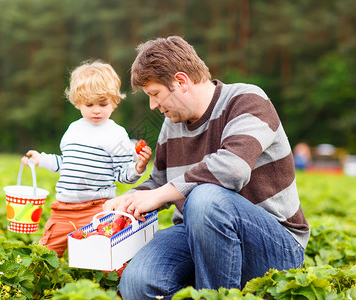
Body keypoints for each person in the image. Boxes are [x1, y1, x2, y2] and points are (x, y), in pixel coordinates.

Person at [103, 36, 310, 299]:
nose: (152, 106)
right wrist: (130, 199)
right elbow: (160, 182)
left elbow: (233, 168)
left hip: (274, 244)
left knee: (205, 197)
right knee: (139, 283)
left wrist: (159, 194)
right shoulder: (171, 124)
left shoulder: (247, 100)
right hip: (197, 234)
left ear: (181, 81)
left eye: (155, 94)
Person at [22, 60, 152, 257]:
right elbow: (65, 163)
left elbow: (122, 174)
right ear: (77, 102)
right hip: (63, 209)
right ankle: (39, 283)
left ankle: (114, 286)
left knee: (109, 254)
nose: (96, 110)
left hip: (98, 209)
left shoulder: (116, 134)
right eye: (89, 104)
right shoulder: (73, 129)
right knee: (46, 254)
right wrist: (41, 159)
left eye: (103, 103)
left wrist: (138, 167)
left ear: (114, 101)